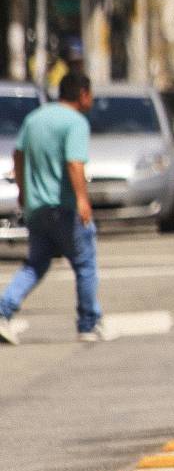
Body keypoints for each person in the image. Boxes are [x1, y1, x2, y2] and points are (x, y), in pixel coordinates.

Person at [0, 72, 113, 343]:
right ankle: (88, 323)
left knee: (35, 264)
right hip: (64, 208)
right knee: (85, 263)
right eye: (91, 94)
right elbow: (75, 163)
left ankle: (3, 311)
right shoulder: (75, 123)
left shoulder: (35, 118)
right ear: (83, 94)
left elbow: (18, 154)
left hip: (37, 208)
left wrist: (24, 193)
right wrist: (83, 200)